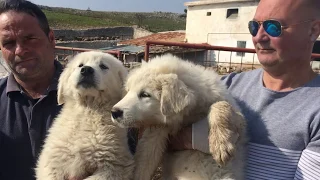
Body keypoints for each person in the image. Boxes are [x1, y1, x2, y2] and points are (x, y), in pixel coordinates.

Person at [169, 0, 320, 179]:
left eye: (273, 27)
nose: (259, 37)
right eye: (254, 26)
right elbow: (157, 136)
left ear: (313, 30)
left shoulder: (315, 109)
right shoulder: (227, 86)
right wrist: (191, 138)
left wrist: (194, 140)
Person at [0, 1, 63, 180]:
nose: (20, 50)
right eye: (9, 43)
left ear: (51, 39)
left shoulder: (98, 97)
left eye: (30, 39)